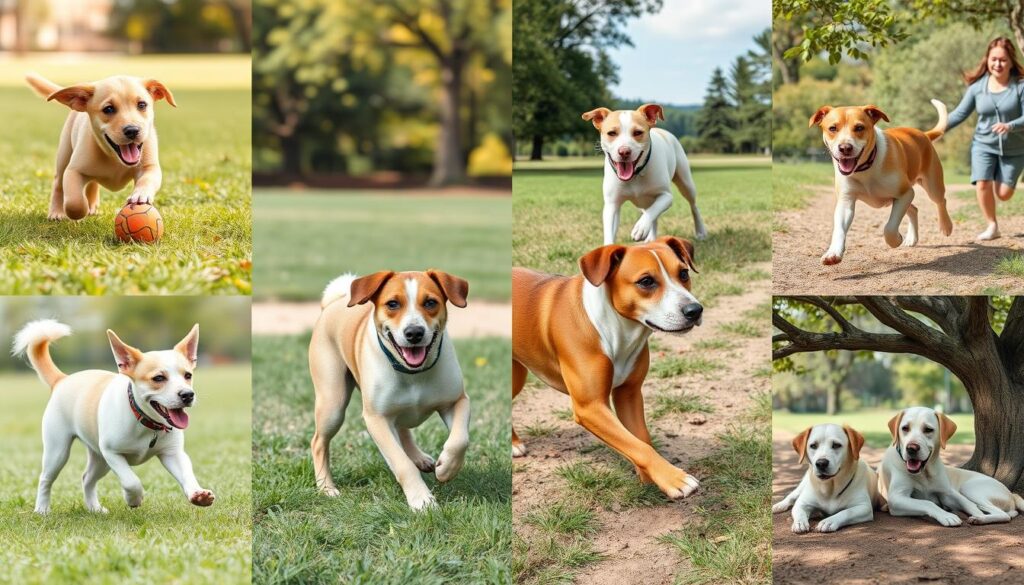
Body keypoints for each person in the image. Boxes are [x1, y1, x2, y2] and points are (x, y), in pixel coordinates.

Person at [945, 37, 1024, 241]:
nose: (998, 64)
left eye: (1003, 60)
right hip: (983, 144)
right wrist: (934, 132)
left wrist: (1010, 125)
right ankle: (992, 225)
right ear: (987, 59)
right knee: (982, 183)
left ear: (1011, 62)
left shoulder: (1020, 87)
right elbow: (959, 114)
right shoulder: (977, 88)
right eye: (994, 59)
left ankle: (1002, 179)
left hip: (1015, 149)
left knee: (1004, 193)